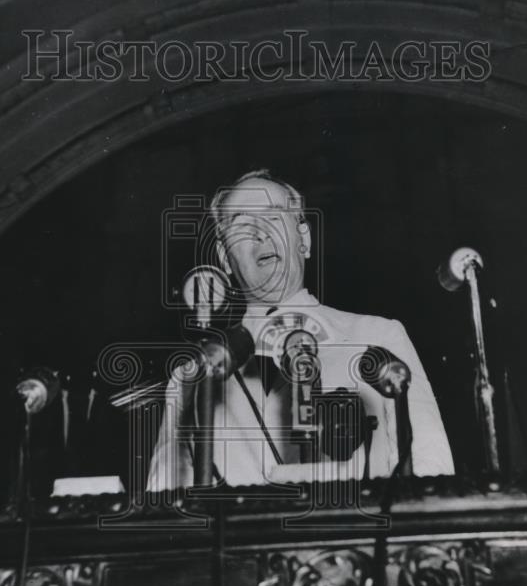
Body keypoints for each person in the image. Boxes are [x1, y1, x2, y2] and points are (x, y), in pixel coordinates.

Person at [145, 170, 454, 492]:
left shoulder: (378, 335)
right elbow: (164, 493)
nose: (260, 233)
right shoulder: (194, 374)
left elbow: (431, 468)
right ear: (224, 257)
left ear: (303, 239)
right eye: (241, 225)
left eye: (274, 217)